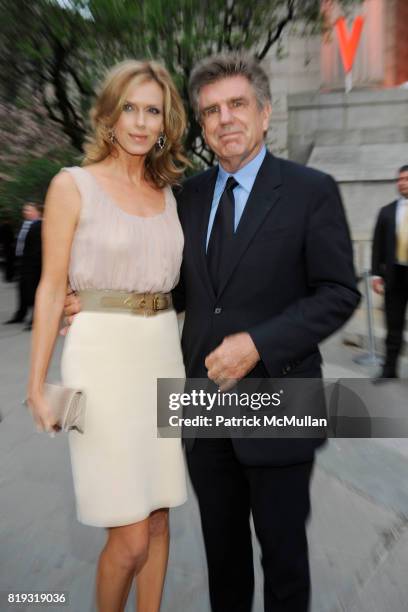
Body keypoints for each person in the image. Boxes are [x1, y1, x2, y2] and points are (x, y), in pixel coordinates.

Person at [65, 54, 360, 611]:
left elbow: (339, 293)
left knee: (284, 561)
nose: (225, 119)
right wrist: (98, 302)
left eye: (237, 105)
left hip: (279, 402)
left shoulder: (310, 191)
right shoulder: (186, 198)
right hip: (203, 408)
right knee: (223, 560)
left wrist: (259, 343)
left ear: (265, 113)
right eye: (211, 111)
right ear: (202, 125)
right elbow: (173, 288)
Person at [27, 60, 189, 612]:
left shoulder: (171, 195)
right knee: (130, 537)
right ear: (109, 116)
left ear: (166, 121)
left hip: (163, 355)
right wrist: (37, 382)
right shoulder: (72, 186)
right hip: (101, 361)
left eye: (153, 110)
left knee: (161, 516)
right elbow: (50, 289)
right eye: (130, 109)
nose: (141, 123)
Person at [372, 164, 408, 381]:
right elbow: (378, 246)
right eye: (400, 179)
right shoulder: (387, 211)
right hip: (395, 277)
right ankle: (389, 370)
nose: (402, 182)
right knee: (393, 326)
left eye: (406, 178)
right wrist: (377, 274)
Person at [5, 202, 42, 325]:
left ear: (37, 212)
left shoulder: (40, 225)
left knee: (32, 290)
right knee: (22, 289)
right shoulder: (25, 225)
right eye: (25, 210)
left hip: (34, 264)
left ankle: (36, 318)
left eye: (29, 210)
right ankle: (20, 314)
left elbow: (39, 247)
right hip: (22, 262)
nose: (26, 212)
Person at [0, 212, 15, 282]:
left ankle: (7, 277)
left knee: (7, 262)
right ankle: (9, 277)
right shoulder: (8, 227)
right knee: (10, 263)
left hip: (5, 246)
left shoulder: (2, 227)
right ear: (8, 220)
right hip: (9, 247)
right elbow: (11, 237)